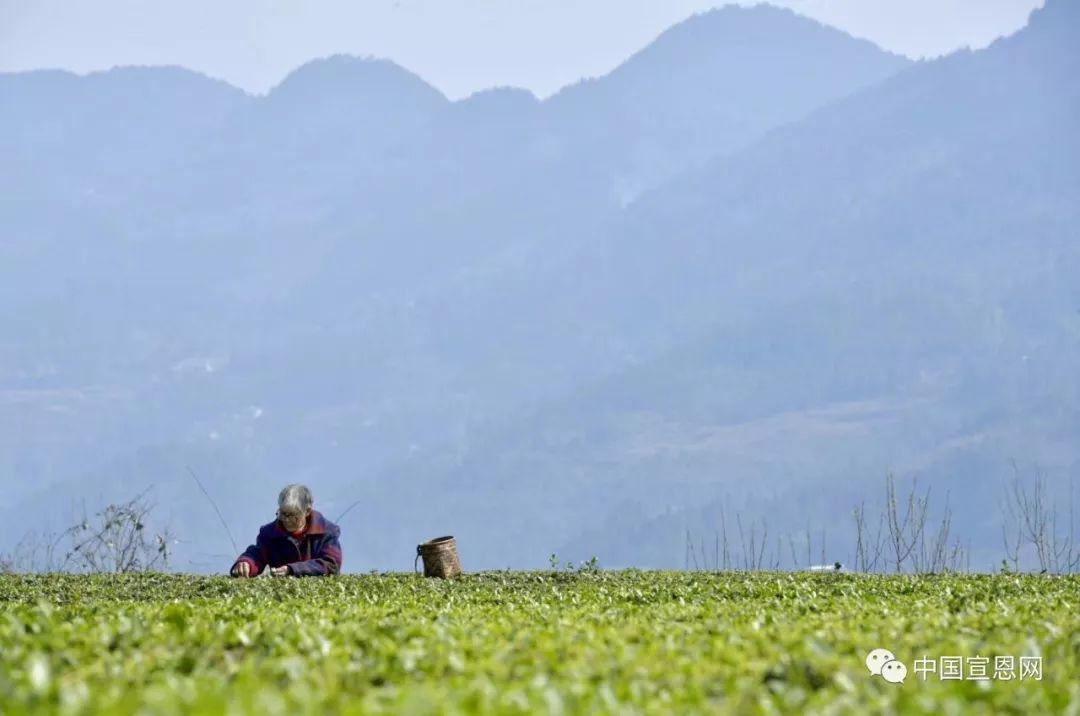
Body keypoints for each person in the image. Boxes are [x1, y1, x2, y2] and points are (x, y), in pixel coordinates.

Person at [230, 484, 342, 577]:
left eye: (293, 515)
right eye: (283, 513)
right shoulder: (269, 534)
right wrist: (246, 563)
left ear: (307, 511)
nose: (287, 520)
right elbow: (258, 554)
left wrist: (292, 570)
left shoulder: (327, 531)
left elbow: (331, 564)